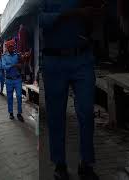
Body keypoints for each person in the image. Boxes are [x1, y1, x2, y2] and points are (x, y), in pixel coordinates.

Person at [40, 0, 104, 179]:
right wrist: (67, 15)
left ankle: (86, 164)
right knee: (56, 115)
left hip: (82, 58)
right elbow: (38, 20)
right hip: (54, 61)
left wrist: (94, 13)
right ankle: (60, 165)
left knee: (86, 112)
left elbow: (97, 16)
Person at [2, 40, 24, 122]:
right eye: (9, 47)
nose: (11, 48)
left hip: (18, 79)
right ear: (7, 48)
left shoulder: (17, 55)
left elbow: (22, 65)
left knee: (19, 96)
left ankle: (19, 113)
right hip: (9, 80)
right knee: (10, 97)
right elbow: (4, 67)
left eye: (12, 46)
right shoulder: (4, 57)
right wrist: (13, 65)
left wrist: (21, 63)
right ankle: (11, 113)